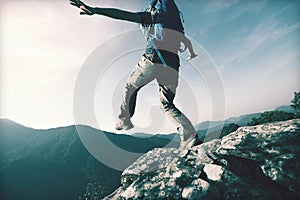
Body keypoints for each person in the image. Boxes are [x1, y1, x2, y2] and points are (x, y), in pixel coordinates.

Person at [70, 0, 201, 149]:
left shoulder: (151, 16)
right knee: (167, 104)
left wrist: (95, 10)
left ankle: (124, 120)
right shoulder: (175, 20)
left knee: (130, 87)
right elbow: (185, 40)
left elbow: (121, 15)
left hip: (153, 59)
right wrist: (192, 53)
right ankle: (189, 135)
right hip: (172, 64)